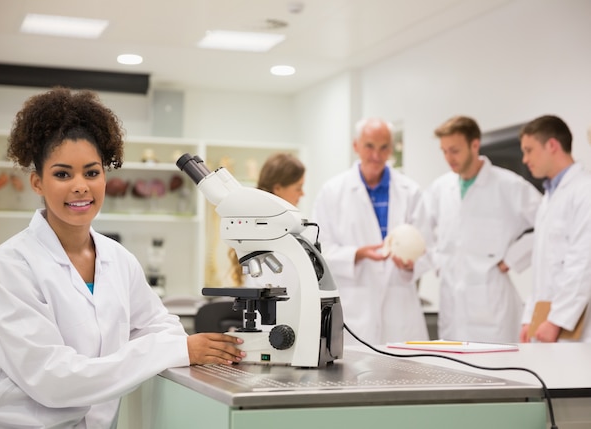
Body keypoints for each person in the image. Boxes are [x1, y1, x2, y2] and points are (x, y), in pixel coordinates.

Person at [0, 87, 244, 428]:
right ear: (37, 182)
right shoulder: (10, 267)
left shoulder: (118, 259)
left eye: (92, 172)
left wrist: (193, 347)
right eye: (62, 174)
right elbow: (54, 380)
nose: (80, 186)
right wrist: (178, 350)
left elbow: (159, 325)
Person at [413, 115, 542, 343]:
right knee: (454, 371)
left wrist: (513, 258)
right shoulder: (441, 188)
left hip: (492, 303)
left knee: (498, 371)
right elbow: (420, 232)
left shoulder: (508, 185)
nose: (448, 158)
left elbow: (546, 223)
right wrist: (437, 260)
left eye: (454, 150)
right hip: (452, 301)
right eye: (444, 151)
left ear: (475, 144)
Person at [311, 117, 429, 345]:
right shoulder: (332, 192)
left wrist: (411, 264)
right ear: (356, 146)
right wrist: (358, 254)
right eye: (369, 146)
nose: (377, 154)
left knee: (405, 376)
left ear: (391, 148)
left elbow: (428, 246)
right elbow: (319, 251)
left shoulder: (410, 192)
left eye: (384, 147)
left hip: (400, 307)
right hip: (355, 308)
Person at [519, 115, 591, 343]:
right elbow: (543, 268)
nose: (525, 159)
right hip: (549, 320)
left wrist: (557, 320)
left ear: (552, 145)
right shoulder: (549, 198)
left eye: (529, 150)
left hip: (571, 324)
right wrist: (530, 317)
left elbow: (583, 261)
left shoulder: (584, 191)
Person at [228, 152, 305, 286]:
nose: (302, 193)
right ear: (278, 188)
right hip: (270, 302)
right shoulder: (268, 228)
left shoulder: (282, 224)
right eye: (298, 188)